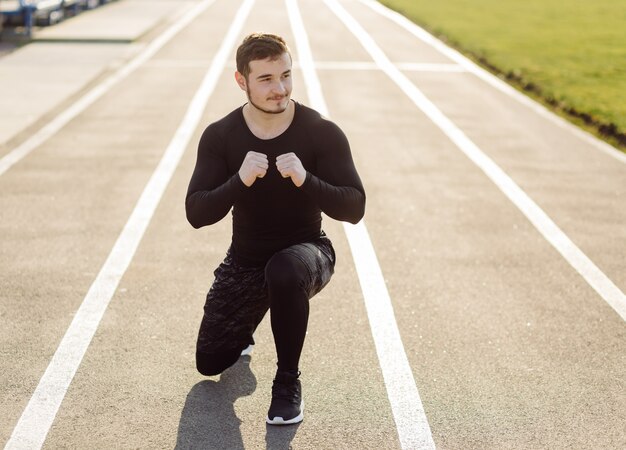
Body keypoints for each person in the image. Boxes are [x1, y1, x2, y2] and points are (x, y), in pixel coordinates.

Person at [185, 33, 365, 425]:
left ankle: (287, 383)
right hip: (245, 261)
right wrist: (238, 180)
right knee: (210, 361)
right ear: (241, 81)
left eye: (285, 75)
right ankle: (251, 317)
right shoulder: (221, 136)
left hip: (308, 253)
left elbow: (354, 207)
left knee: (283, 271)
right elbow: (196, 213)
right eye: (266, 79)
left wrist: (307, 179)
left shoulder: (320, 131)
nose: (279, 88)